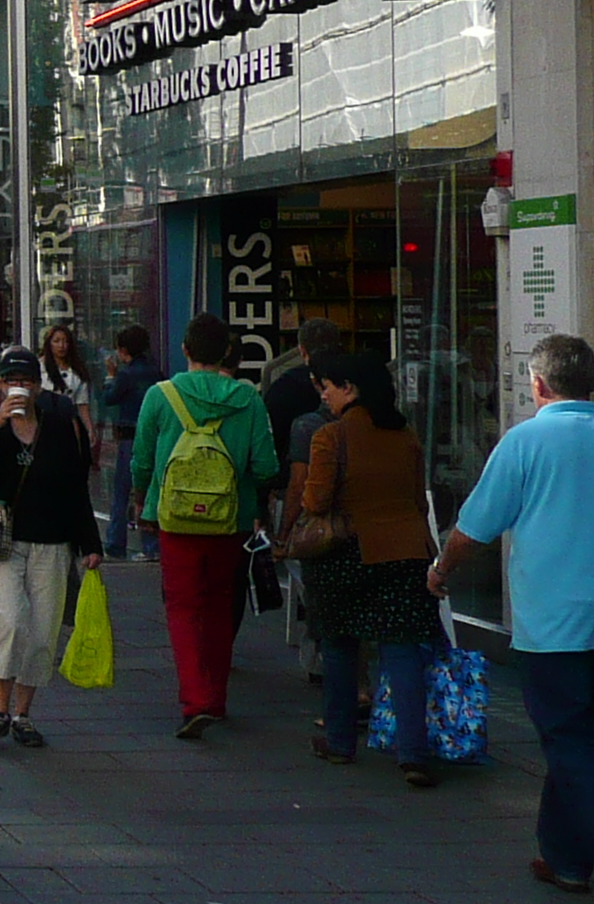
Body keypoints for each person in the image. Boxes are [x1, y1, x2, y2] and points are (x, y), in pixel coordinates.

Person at [430, 334, 594, 904]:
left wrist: (441, 570)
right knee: (585, 730)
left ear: (538, 385)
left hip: (552, 616)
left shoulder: (524, 442)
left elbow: (475, 527)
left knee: (567, 738)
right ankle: (565, 858)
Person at [130, 313, 281, 738]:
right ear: (227, 355)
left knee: (182, 606)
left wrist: (144, 501)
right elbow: (266, 464)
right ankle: (215, 698)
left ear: (185, 350)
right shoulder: (247, 399)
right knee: (218, 602)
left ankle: (194, 699)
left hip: (175, 517)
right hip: (229, 519)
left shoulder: (161, 396)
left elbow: (141, 461)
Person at [295, 353, 439, 783]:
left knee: (340, 646)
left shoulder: (329, 437)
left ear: (350, 389)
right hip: (404, 553)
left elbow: (315, 502)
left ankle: (340, 742)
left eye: (330, 386)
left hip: (348, 556)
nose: (324, 393)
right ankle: (413, 752)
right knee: (402, 650)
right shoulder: (406, 437)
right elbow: (418, 500)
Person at [0, 345, 99, 749]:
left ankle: (22, 714)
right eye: (11, 381)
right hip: (3, 542)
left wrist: (90, 541)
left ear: (38, 387)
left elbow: (75, 487)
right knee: (10, 619)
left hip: (51, 540)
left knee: (43, 631)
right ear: (0, 385)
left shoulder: (57, 426)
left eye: (26, 382)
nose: (19, 388)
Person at [101, 325, 161, 558]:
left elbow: (109, 398)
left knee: (122, 491)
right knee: (147, 489)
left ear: (124, 350)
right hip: (152, 434)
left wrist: (110, 376)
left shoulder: (125, 374)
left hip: (129, 436)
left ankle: (116, 542)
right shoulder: (155, 371)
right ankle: (151, 544)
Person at [262, 316, 343, 471]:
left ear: (302, 350)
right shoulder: (357, 380)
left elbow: (271, 439)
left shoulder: (282, 388)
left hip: (293, 474)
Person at [37, 322, 95, 409]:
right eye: (56, 341)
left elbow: (82, 404)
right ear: (49, 344)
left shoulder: (77, 369)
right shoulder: (39, 367)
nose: (61, 346)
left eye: (65, 341)